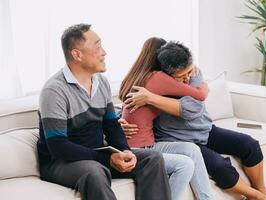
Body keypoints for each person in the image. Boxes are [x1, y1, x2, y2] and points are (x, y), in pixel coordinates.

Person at [121, 41, 266, 200]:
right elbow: (129, 106)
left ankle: (262, 189)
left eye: (189, 72)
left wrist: (151, 98)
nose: (188, 78)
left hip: (205, 131)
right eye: (181, 76)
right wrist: (119, 121)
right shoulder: (158, 81)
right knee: (219, 166)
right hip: (178, 139)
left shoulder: (194, 73)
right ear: (167, 74)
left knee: (249, 144)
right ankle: (256, 196)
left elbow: (194, 108)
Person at [36, 24, 171, 200]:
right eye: (98, 46)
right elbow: (58, 147)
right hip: (60, 162)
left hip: (95, 153)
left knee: (152, 159)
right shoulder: (54, 90)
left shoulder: (101, 82)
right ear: (77, 54)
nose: (104, 52)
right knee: (94, 171)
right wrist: (107, 159)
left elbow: (111, 126)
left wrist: (124, 150)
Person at [119, 37, 213, 200]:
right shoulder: (157, 78)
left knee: (192, 150)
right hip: (140, 148)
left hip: (147, 144)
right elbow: (200, 95)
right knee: (185, 165)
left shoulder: (139, 77)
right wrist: (204, 84)